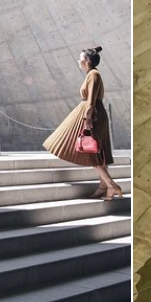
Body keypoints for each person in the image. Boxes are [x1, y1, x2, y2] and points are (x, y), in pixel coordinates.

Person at [42, 46, 122, 200]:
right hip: (92, 114)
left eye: (80, 58)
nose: (78, 60)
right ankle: (103, 187)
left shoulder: (93, 75)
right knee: (96, 153)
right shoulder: (91, 74)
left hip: (93, 116)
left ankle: (111, 186)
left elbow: (91, 100)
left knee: (92, 153)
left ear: (87, 60)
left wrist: (88, 120)